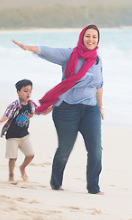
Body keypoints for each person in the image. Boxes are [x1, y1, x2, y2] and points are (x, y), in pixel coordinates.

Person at [12, 25, 104, 194]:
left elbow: (99, 85)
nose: (91, 40)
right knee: (64, 149)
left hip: (90, 109)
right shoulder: (70, 54)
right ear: (82, 37)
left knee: (96, 149)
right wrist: (28, 47)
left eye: (94, 37)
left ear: (98, 40)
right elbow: (49, 51)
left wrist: (100, 106)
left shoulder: (97, 60)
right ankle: (56, 183)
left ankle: (93, 188)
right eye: (87, 36)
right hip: (67, 109)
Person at [0, 79, 50, 182]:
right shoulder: (14, 105)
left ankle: (22, 168)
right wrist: (0, 120)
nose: (28, 93)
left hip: (24, 136)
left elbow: (43, 112)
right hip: (12, 136)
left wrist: (54, 106)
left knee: (31, 155)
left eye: (30, 91)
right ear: (18, 92)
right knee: (13, 158)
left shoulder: (31, 105)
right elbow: (7, 114)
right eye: (25, 91)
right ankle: (11, 175)